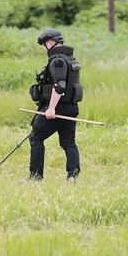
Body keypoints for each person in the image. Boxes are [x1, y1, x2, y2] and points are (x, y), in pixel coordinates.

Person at [27, 28, 83, 181]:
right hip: (71, 108)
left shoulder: (57, 61)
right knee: (68, 142)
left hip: (58, 107)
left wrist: (51, 108)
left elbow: (60, 86)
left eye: (45, 45)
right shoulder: (70, 59)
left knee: (36, 137)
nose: (44, 49)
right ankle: (73, 176)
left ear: (51, 43)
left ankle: (35, 177)